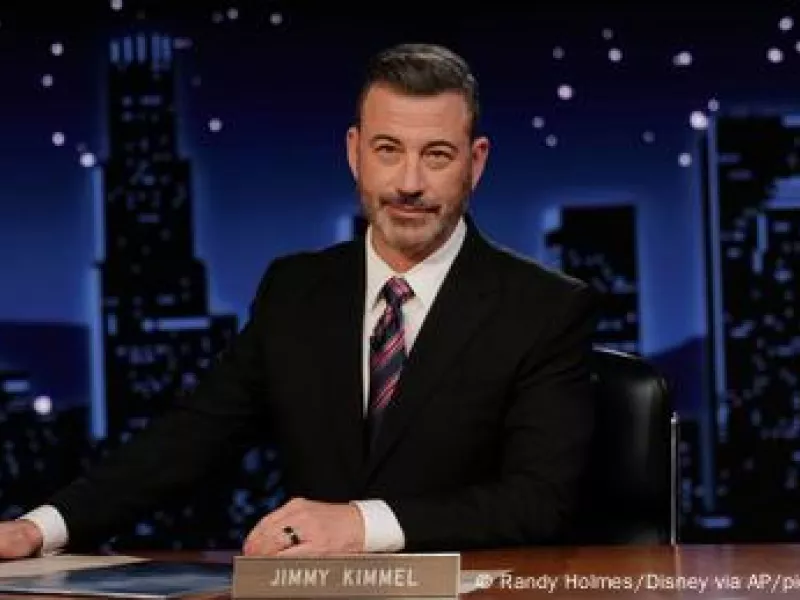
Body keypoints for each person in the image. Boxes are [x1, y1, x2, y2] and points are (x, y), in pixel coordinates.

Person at [0, 42, 597, 559]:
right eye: (388, 150)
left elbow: (539, 501)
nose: (409, 183)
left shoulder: (544, 309)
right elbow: (189, 439)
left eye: (436, 155)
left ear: (476, 162)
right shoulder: (294, 292)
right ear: (354, 152)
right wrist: (40, 528)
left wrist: (361, 524)